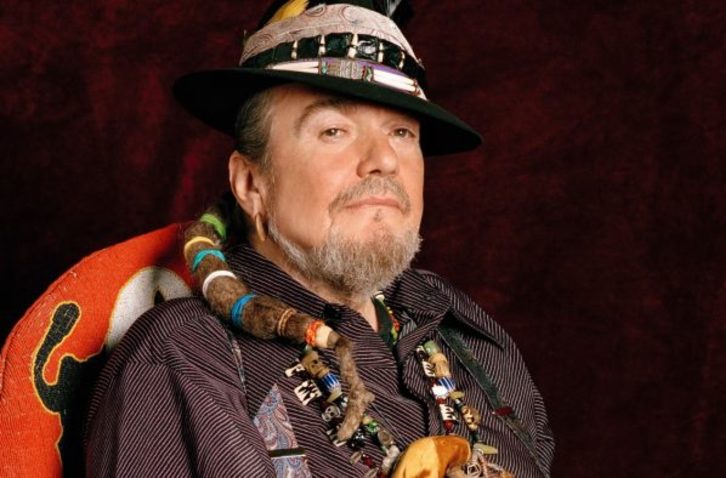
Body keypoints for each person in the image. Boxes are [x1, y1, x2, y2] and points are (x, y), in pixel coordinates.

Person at [85, 1, 555, 476]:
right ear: (250, 184)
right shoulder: (186, 357)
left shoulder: (461, 329)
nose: (384, 160)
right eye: (334, 130)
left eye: (401, 132)